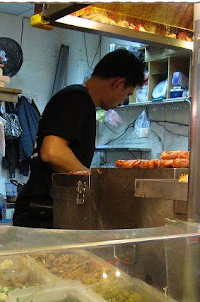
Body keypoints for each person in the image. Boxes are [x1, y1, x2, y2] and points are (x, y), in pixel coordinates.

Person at [13, 49, 145, 228]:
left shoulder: (81, 101)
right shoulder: (76, 98)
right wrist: (94, 184)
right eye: (127, 94)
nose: (122, 102)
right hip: (41, 212)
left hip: (49, 210)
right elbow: (52, 152)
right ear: (118, 83)